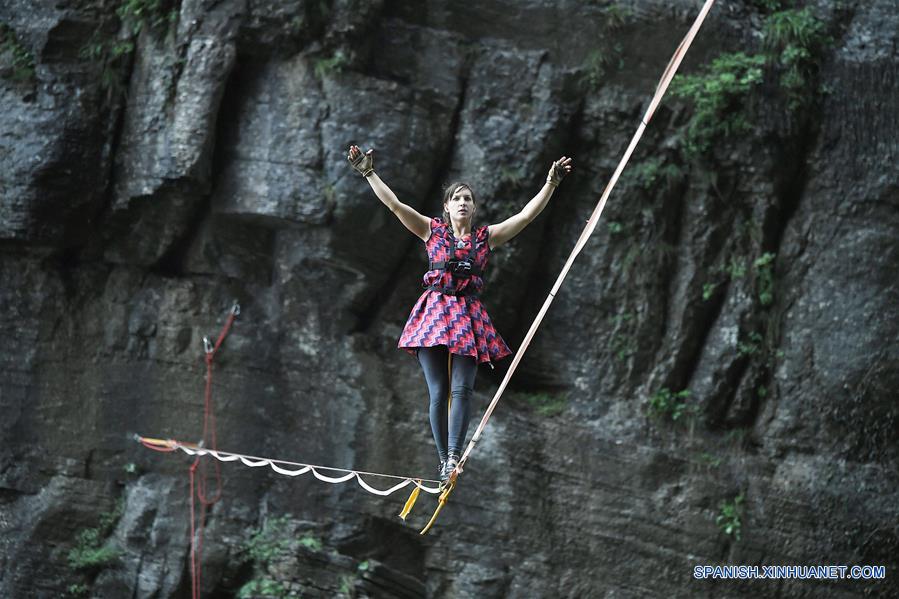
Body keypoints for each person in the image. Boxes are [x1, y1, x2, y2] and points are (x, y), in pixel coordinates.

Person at [347, 145, 572, 484]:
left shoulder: (485, 239)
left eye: (468, 198)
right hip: (435, 313)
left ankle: (454, 455)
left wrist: (550, 184)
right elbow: (394, 205)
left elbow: (525, 217)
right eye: (457, 198)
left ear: (474, 207)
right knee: (439, 391)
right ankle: (444, 460)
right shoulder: (431, 231)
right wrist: (368, 172)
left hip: (468, 316)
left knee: (463, 389)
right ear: (447, 207)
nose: (463, 203)